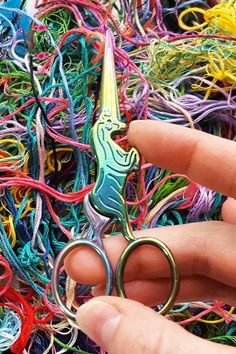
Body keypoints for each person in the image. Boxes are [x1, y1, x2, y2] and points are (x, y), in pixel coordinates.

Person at [65, 120, 236, 354]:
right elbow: (126, 163)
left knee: (119, 248)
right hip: (108, 199)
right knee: (121, 243)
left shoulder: (108, 148)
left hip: (103, 198)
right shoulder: (110, 150)